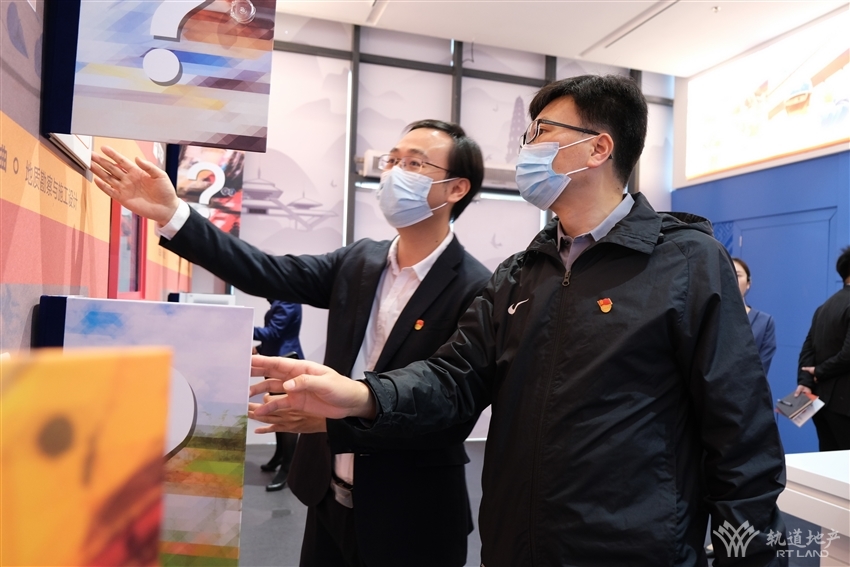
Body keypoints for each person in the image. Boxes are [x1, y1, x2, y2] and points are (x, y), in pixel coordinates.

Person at [250, 75, 788, 566]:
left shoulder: (686, 261)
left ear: (599, 148)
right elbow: (452, 379)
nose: (525, 147)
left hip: (632, 551)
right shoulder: (520, 273)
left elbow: (741, 437)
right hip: (515, 546)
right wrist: (362, 395)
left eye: (541, 131)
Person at [90, 120, 491, 567]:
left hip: (412, 512)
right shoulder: (360, 260)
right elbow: (267, 272)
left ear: (456, 188)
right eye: (392, 160)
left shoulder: (477, 288)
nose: (395, 172)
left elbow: (448, 407)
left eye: (414, 163)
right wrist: (173, 214)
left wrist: (337, 421)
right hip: (328, 497)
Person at [796, 246, 850, 451]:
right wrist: (819, 371)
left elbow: (807, 350)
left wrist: (806, 381)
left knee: (829, 462)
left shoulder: (824, 307)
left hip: (821, 405)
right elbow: (848, 355)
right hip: (845, 406)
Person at [253, 299, 304, 492]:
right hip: (278, 361)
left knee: (286, 414)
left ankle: (288, 468)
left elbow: (274, 332)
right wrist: (260, 349)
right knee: (278, 412)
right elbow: (277, 334)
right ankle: (280, 456)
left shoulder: (287, 301)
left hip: (286, 362)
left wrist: (242, 327)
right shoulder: (280, 300)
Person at [733, 257, 777, 374]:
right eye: (727, 272)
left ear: (748, 283)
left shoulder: (764, 322)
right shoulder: (709, 317)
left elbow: (760, 370)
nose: (732, 278)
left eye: (738, 274)